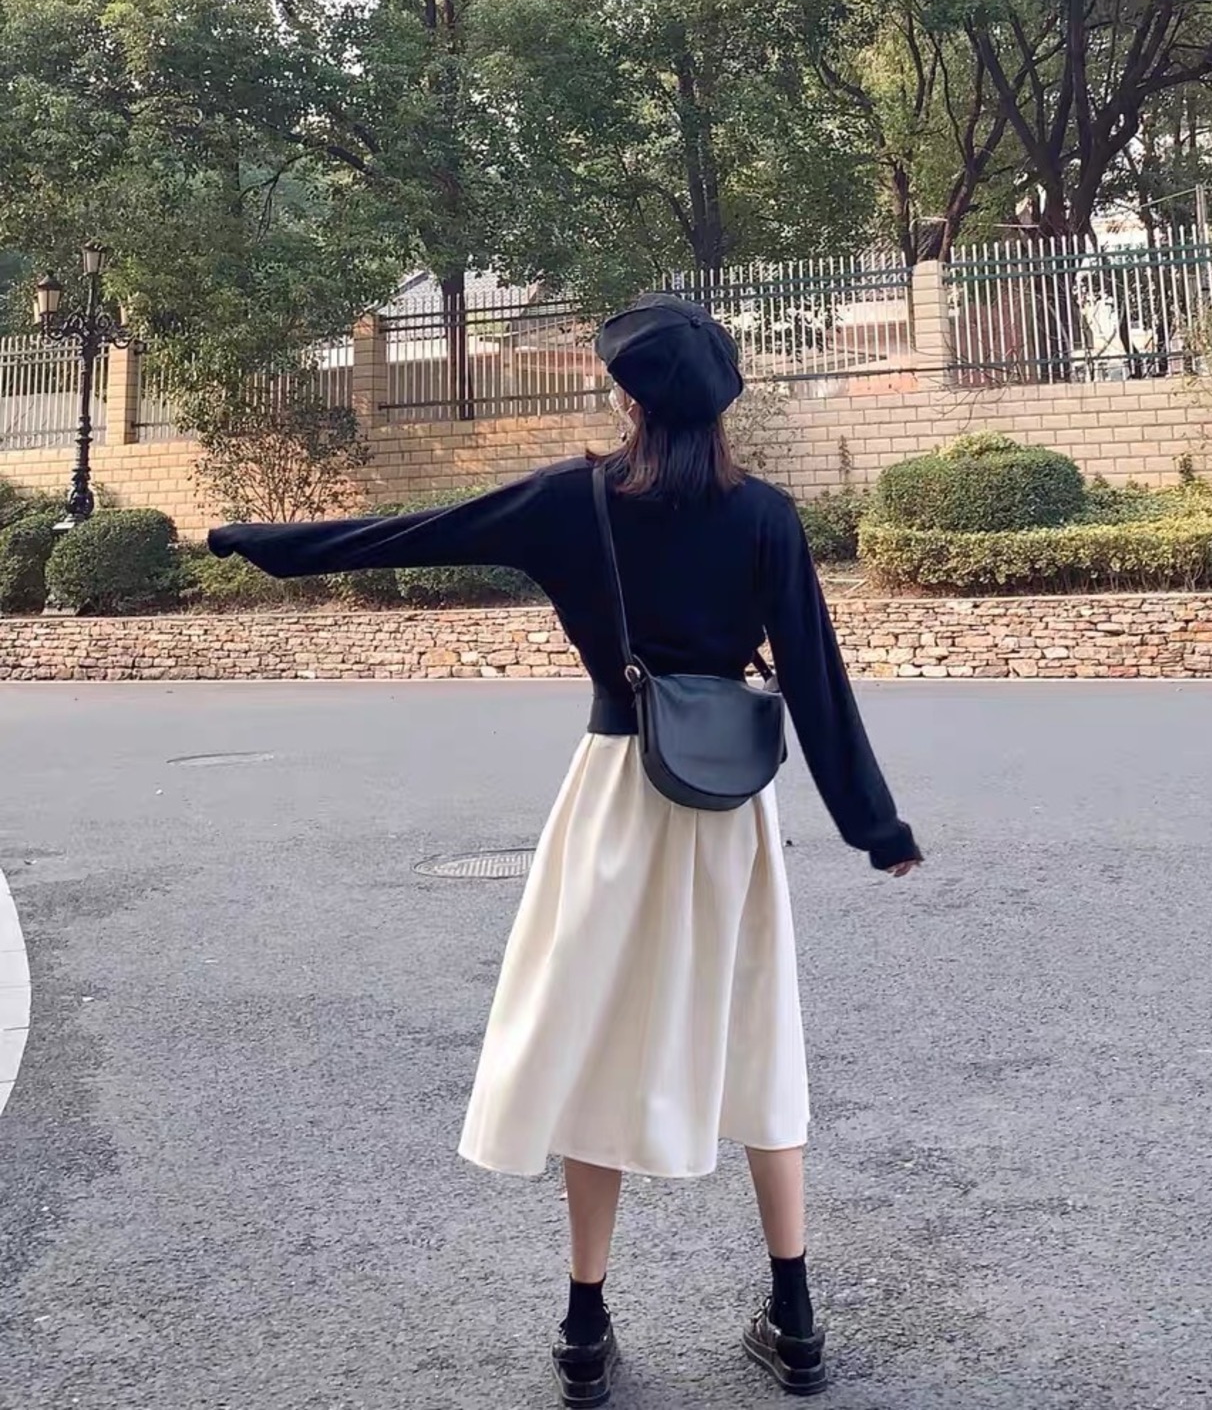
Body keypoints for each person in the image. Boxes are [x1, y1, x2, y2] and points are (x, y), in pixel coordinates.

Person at [209, 292, 922, 1405]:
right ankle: (795, 1320)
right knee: (756, 1039)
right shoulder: (766, 517)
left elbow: (414, 533)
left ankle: (585, 1330)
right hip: (725, 813)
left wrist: (254, 542)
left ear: (627, 398)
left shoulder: (571, 501)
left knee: (594, 1043)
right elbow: (817, 684)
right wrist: (877, 830)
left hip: (612, 800)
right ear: (722, 406)